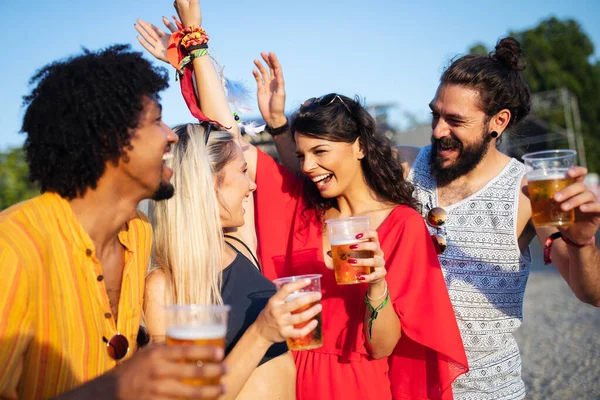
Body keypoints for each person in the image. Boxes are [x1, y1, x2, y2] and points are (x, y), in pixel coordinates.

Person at [0, 45, 227, 399]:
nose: (171, 136)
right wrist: (122, 384)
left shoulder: (138, 232)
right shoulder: (13, 246)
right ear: (111, 139)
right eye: (156, 120)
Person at [249, 56, 469, 399]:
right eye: (301, 154)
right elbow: (230, 143)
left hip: (358, 386)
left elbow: (381, 347)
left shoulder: (402, 226)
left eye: (320, 151)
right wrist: (196, 45)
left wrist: (378, 286)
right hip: (286, 381)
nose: (307, 166)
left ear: (361, 146)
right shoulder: (303, 213)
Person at [393, 37, 600, 399]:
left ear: (498, 122)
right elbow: (321, 168)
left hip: (488, 391)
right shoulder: (404, 165)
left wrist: (581, 242)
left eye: (455, 120)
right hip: (403, 387)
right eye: (435, 115)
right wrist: (281, 127)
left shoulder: (529, 192)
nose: (439, 130)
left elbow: (590, 293)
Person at [136, 2, 321, 399]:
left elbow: (224, 133)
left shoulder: (240, 245)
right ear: (206, 188)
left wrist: (192, 51)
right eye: (242, 175)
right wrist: (261, 333)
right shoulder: (162, 288)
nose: (253, 186)